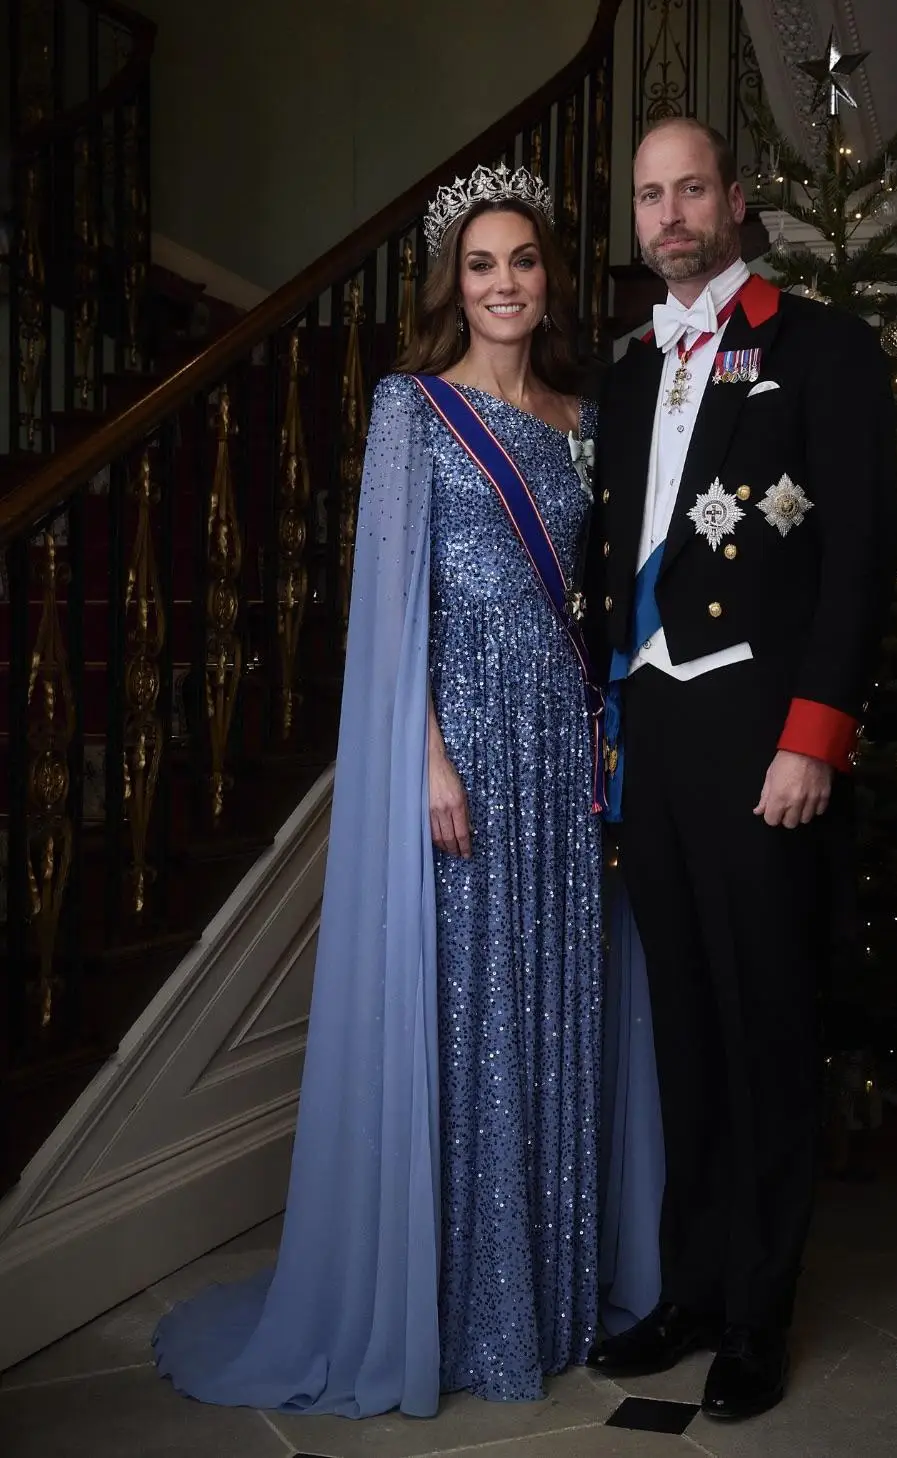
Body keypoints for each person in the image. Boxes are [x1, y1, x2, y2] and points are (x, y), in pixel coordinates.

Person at [153, 163, 658, 1419]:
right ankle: (462, 1303)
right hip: (462, 749)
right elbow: (390, 606)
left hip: (558, 744)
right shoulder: (412, 411)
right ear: (456, 285)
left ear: (549, 281)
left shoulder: (584, 420)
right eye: (481, 266)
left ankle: (545, 1295)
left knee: (559, 1001)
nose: (504, 285)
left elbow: (605, 596)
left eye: (524, 263)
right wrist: (424, 752)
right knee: (469, 1008)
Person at [584, 118, 897, 1422]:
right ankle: (695, 1287)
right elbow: (614, 563)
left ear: (735, 199)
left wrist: (811, 733)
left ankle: (759, 1313)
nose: (668, 214)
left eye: (689, 188)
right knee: (686, 1033)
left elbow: (858, 551)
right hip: (652, 735)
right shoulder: (619, 371)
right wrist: (609, 719)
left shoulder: (818, 348)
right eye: (649, 195)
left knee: (766, 1027)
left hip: (762, 736)